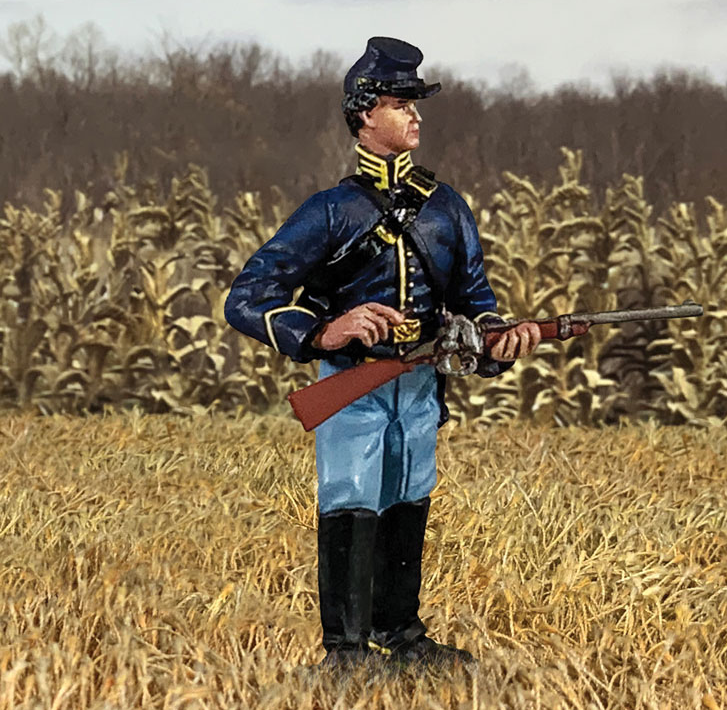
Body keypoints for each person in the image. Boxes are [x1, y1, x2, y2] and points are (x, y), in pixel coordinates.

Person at [224, 37, 540, 671]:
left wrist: (497, 340)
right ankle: (344, 649)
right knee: (349, 500)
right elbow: (246, 297)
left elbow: (475, 300)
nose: (415, 116)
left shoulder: (447, 208)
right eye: (401, 104)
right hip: (353, 384)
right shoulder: (331, 211)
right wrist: (322, 333)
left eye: (415, 104)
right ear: (366, 113)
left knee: (407, 497)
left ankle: (399, 634)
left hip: (419, 385)